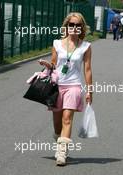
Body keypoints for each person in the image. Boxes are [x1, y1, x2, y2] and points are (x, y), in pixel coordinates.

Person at [38, 12, 92, 166]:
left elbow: (87, 70)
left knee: (67, 118)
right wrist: (48, 65)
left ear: (81, 27)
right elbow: (54, 65)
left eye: (77, 25)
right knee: (57, 122)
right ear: (67, 26)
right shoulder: (57, 43)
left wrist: (89, 90)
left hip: (74, 86)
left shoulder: (86, 47)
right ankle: (60, 143)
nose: (74, 27)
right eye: (71, 25)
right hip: (57, 85)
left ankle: (62, 153)